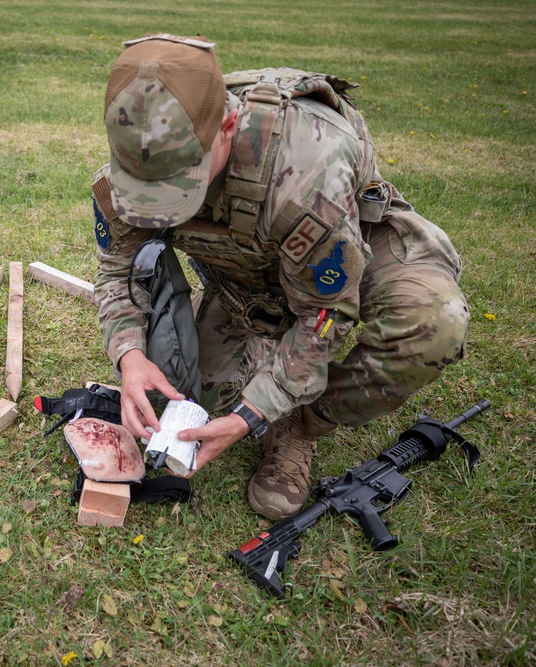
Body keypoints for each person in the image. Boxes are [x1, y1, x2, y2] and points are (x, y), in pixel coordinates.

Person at [91, 34, 470, 520]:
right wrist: (129, 357)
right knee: (196, 403)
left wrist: (253, 415)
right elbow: (116, 271)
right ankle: (260, 341)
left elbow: (326, 315)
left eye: (178, 183)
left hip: (344, 248)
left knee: (431, 323)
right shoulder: (131, 163)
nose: (158, 204)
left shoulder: (307, 172)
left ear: (229, 125)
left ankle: (303, 426)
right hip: (248, 274)